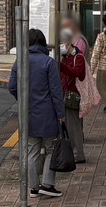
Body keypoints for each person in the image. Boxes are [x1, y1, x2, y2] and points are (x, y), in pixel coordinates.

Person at [8, 28, 66, 197]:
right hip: (48, 113)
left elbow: (11, 86)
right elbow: (56, 91)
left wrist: (24, 100)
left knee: (32, 150)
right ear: (42, 43)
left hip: (28, 113)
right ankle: (47, 185)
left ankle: (33, 187)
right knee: (50, 149)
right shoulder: (48, 62)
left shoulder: (20, 61)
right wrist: (60, 113)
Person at [57, 23, 87, 164]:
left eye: (62, 42)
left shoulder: (78, 57)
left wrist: (61, 66)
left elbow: (78, 74)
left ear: (68, 42)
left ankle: (78, 154)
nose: (60, 45)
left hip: (73, 96)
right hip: (63, 94)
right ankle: (71, 152)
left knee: (74, 126)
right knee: (67, 126)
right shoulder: (65, 57)